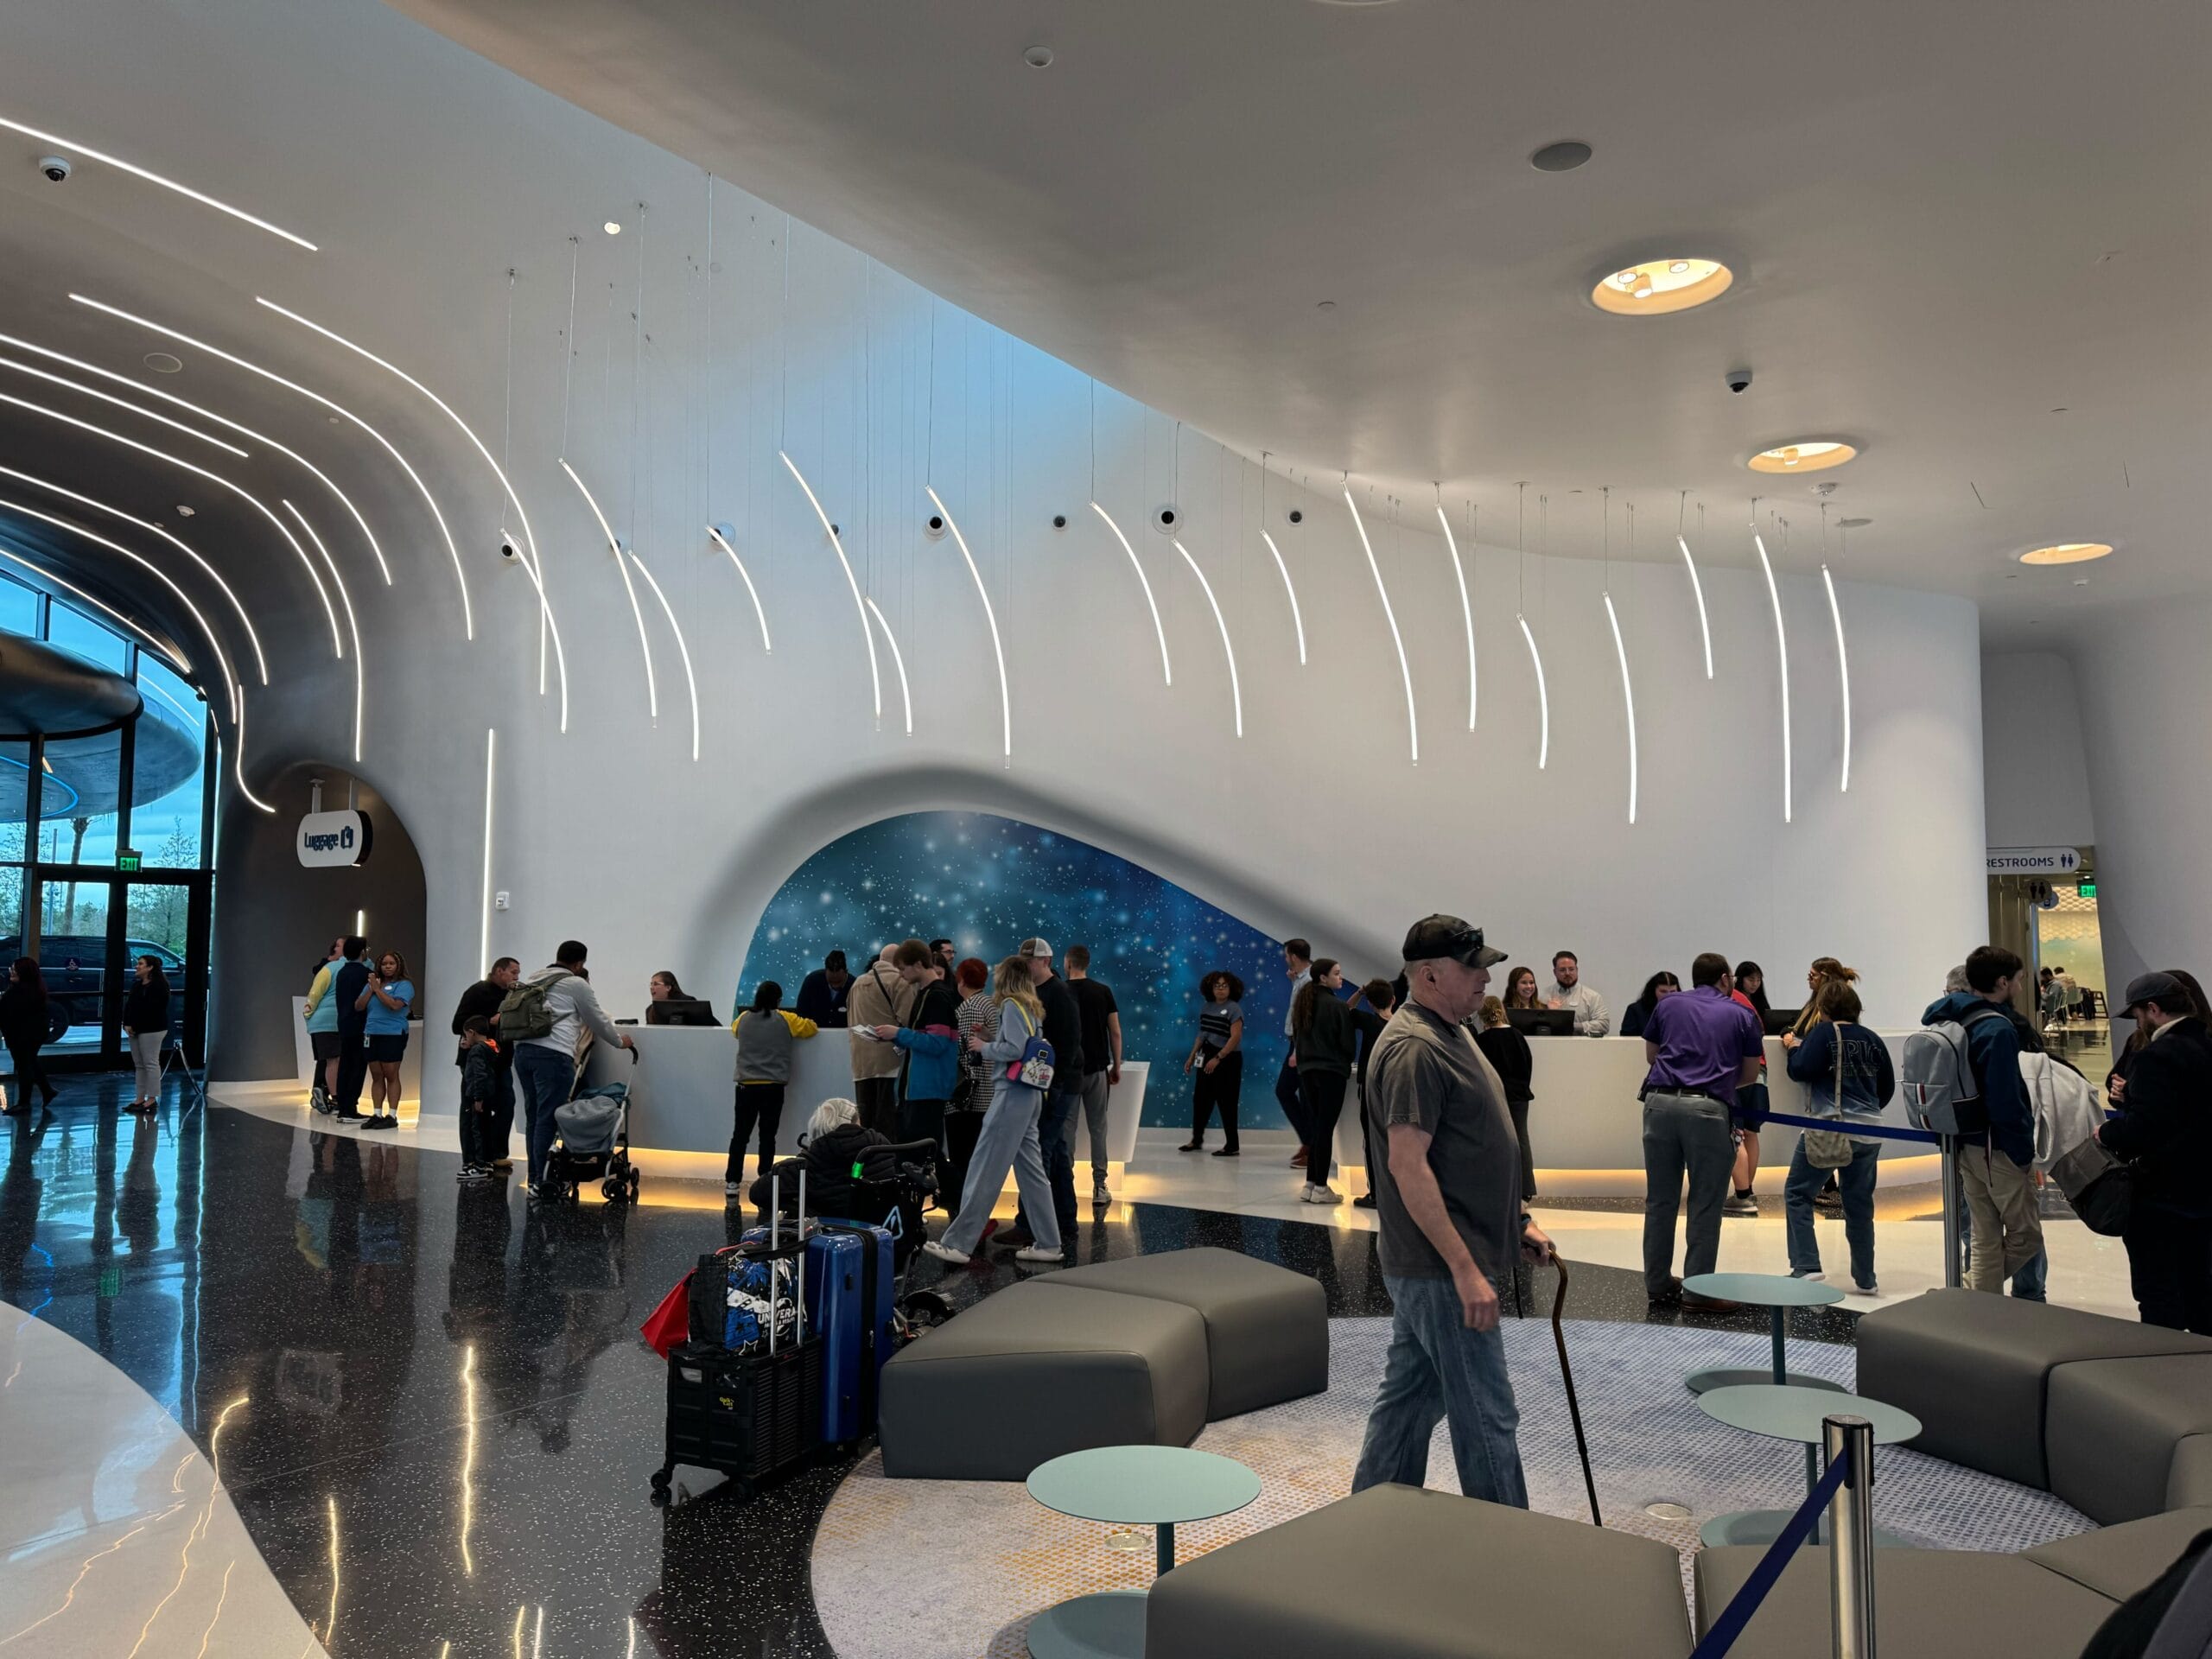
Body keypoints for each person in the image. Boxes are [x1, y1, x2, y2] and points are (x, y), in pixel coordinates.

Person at [1351, 914, 1554, 1507]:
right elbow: (1408, 1167)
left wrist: (1514, 1221)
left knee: (1412, 1399)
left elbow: (1468, 1148)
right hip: (1441, 1268)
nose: (1485, 978)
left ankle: (1373, 1516)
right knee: (1487, 1414)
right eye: (1473, 967)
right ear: (1431, 975)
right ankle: (1503, 1543)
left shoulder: (1451, 1027)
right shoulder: (1415, 1047)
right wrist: (1467, 1271)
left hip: (1442, 1260)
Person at [1640, 952, 1764, 1311]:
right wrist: (1716, 1082)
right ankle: (1697, 1291)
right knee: (1705, 1204)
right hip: (1709, 1109)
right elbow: (1750, 1075)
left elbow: (1652, 1056)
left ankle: (1658, 1285)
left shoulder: (1668, 1005)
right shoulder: (1742, 1014)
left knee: (1660, 1201)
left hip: (1659, 1104)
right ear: (1726, 978)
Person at [923, 955, 1064, 1266]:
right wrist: (992, 1039)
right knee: (1032, 1175)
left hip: (1011, 1096)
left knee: (984, 1168)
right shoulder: (1031, 1007)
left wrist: (984, 1047)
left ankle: (959, 1244)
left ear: (1006, 978)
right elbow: (1022, 1044)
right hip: (1028, 1096)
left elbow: (1013, 1050)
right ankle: (1050, 1244)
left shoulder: (1011, 1005)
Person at [2097, 972, 2212, 1334]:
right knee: (2200, 1288)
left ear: (2153, 1009)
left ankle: (2160, 1374)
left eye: (2137, 1015)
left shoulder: (2156, 1057)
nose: (2138, 1023)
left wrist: (2106, 1132)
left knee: (2158, 1293)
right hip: (2203, 1191)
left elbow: (2144, 1130)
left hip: (2161, 1197)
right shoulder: (2206, 1045)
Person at [1923, 944, 2041, 1295]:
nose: (2020, 988)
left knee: (1985, 1234)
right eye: (2018, 981)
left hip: (1964, 1143)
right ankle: (1971, 1293)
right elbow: (2005, 1098)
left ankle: (1976, 1306)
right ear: (2002, 982)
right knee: (2027, 1234)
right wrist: (2023, 1151)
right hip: (1998, 1148)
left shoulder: (1950, 1020)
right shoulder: (1998, 1029)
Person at [1780, 977, 1897, 1292]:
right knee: (1859, 1205)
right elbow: (1885, 1088)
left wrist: (1792, 1047)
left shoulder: (1823, 1034)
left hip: (1829, 1127)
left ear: (1823, 1009)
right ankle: (1866, 1278)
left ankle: (1806, 1265)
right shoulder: (1872, 1039)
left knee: (1797, 1192)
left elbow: (1800, 1070)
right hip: (1870, 1130)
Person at [512, 941, 633, 1197]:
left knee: (534, 1116)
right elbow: (597, 1019)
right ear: (579, 964)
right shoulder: (576, 984)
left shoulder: (535, 977)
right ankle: (540, 1181)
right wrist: (620, 1042)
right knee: (547, 1117)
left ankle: (535, 1176)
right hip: (553, 1056)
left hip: (523, 1053)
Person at [1009, 938, 1084, 1251]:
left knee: (1039, 1153)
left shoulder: (1060, 995)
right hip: (1049, 1083)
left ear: (1046, 961)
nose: (1027, 965)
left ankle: (1029, 1225)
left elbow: (1068, 1045)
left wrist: (1054, 1087)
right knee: (1056, 1154)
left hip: (1056, 1084)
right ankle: (1065, 1220)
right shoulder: (1038, 992)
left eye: (1031, 961)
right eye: (1024, 961)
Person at [874, 939, 961, 1192]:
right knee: (919, 1158)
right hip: (919, 1088)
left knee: (921, 1158)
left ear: (919, 965)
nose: (900, 975)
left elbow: (937, 1043)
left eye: (903, 968)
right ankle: (960, 1211)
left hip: (927, 1089)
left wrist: (898, 1033)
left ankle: (964, 1210)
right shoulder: (929, 994)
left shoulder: (937, 997)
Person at [728, 979, 818, 1200]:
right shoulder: (786, 1019)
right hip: (772, 1087)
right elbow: (811, 1028)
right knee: (767, 1136)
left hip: (745, 1086)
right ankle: (764, 1178)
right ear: (778, 1000)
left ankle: (732, 1181)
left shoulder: (743, 1019)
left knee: (740, 1135)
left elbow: (734, 1032)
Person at [1291, 957, 1357, 1203]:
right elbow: (1348, 1046)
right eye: (1337, 973)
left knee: (1317, 1126)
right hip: (1332, 1073)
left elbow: (1297, 1039)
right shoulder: (1337, 1007)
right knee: (1325, 1129)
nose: (1341, 977)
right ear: (1323, 978)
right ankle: (1321, 1188)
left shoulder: (1303, 1005)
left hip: (1307, 1073)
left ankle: (1309, 1185)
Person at [1065, 946, 1122, 1205]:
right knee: (1098, 1128)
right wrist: (1117, 1065)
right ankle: (1100, 1186)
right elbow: (1115, 1032)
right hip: (1098, 1069)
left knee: (1067, 1128)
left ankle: (1065, 1184)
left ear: (1067, 963)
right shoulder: (1103, 991)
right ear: (1087, 963)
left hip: (1068, 1071)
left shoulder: (1059, 992)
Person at [450, 958, 519, 1170]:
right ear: (499, 971)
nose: (517, 976)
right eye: (513, 972)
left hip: (502, 1060)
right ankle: (472, 1158)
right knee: (475, 1108)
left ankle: (497, 1153)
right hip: (478, 1061)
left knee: (506, 1105)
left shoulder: (513, 995)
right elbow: (457, 1025)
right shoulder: (477, 992)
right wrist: (489, 1022)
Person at [1471, 997, 1536, 1201]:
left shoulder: (1482, 1041)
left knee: (1494, 1141)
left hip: (1494, 1097)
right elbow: (1527, 1064)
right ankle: (1526, 1187)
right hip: (1519, 1096)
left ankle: (1497, 1184)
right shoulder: (1517, 1035)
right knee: (1521, 1139)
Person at [846, 944, 914, 1133]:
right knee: (888, 1124)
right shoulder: (899, 982)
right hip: (890, 1065)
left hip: (861, 1066)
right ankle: (888, 1162)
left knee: (866, 1125)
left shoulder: (857, 983)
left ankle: (866, 1161)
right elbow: (909, 1021)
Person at [1726, 960, 1775, 1217]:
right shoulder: (1749, 1007)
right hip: (1759, 1073)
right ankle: (1747, 1191)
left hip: (1735, 1074)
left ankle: (1742, 1195)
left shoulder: (1729, 1000)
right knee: (1751, 1133)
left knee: (1736, 1134)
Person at [947, 957, 995, 1207]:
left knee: (964, 1157)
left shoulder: (970, 1009)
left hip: (972, 1097)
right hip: (987, 1093)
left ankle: (967, 1210)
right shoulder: (989, 1004)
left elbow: (968, 1055)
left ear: (961, 979)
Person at [1180, 970, 1245, 1154]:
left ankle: (1232, 1145)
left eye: (1225, 986)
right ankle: (1196, 1140)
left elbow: (1236, 1037)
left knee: (1227, 1102)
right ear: (1211, 988)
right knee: (1200, 1099)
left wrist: (1218, 1058)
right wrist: (1192, 1056)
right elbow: (1202, 1034)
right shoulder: (1206, 1007)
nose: (1221, 989)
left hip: (1228, 1058)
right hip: (1206, 1053)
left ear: (1231, 988)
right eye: (1217, 986)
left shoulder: (1234, 1009)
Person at [1349, 978, 1395, 1206]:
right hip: (1395, 1086)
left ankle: (1376, 1193)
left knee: (1371, 1138)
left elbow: (1346, 1009)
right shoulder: (1400, 1025)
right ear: (1393, 1000)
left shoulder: (1368, 1021)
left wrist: (1359, 992)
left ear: (1369, 1003)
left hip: (1369, 1085)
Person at [354, 950, 413, 1130]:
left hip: (393, 1033)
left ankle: (392, 1115)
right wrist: (371, 989)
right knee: (376, 1075)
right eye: (384, 964)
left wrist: (378, 990)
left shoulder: (404, 985)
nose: (387, 967)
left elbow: (395, 1005)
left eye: (391, 963)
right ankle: (377, 1113)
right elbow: (358, 1006)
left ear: (398, 966)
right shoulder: (373, 984)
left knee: (391, 1074)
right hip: (371, 1032)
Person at [1, 957, 55, 1116]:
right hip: (30, 1034)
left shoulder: (19, 992)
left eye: (14, 968)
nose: (11, 971)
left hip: (22, 1035)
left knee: (24, 1065)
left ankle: (25, 1102)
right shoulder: (34, 990)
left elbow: (9, 1013)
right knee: (30, 1062)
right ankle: (47, 1091)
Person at [120, 955, 172, 1115]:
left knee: (150, 1063)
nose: (137, 966)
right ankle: (140, 1098)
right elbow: (129, 1006)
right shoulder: (137, 986)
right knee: (139, 1064)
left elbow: (153, 1010)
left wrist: (134, 1024)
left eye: (141, 964)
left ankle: (152, 1098)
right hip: (136, 1029)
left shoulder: (159, 987)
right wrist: (127, 1023)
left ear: (150, 968)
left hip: (153, 1029)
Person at [1278, 938, 1314, 1168]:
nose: (1285, 959)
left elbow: (1307, 1017)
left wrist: (1299, 1049)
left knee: (1292, 1092)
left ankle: (1312, 1146)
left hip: (1301, 1045)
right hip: (1296, 1043)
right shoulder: (1300, 979)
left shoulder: (1309, 980)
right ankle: (1308, 1141)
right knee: (1289, 1092)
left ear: (1292, 956)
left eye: (1286, 955)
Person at [331, 937, 373, 1123]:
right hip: (360, 1026)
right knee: (357, 1066)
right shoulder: (366, 974)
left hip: (344, 1024)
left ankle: (343, 1106)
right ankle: (350, 1108)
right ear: (362, 951)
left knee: (345, 1065)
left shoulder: (342, 973)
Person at [302, 938, 347, 1111]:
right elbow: (315, 994)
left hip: (326, 1022)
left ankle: (321, 1092)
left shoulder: (331, 968)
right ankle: (326, 1093)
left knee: (328, 1059)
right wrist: (308, 1013)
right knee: (330, 1059)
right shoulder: (329, 968)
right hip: (329, 1022)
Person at [455, 1016, 502, 1182]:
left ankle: (478, 1166)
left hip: (476, 1096)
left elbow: (478, 1075)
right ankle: (486, 1162)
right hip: (488, 1095)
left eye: (466, 1035)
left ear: (472, 1032)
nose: (465, 1039)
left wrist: (477, 1097)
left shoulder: (477, 1051)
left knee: (476, 1129)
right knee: (485, 1128)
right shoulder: (491, 1047)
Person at [1547, 950, 1611, 1036]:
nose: (1567, 973)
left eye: (1571, 969)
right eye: (1562, 970)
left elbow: (1604, 1025)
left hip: (1583, 1047)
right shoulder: (1543, 996)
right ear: (1555, 972)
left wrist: (1573, 1026)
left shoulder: (1592, 997)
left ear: (1577, 970)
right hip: (1550, 1046)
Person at [795, 950, 854, 1029]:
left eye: (839, 982)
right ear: (825, 971)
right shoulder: (812, 981)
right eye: (831, 982)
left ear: (846, 972)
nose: (835, 986)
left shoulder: (855, 986)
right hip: (814, 1034)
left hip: (844, 1036)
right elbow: (801, 1012)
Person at [1618, 971, 1680, 1039]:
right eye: (1663, 991)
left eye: (1673, 992)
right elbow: (1628, 1041)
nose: (1668, 995)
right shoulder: (1635, 1010)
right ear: (1653, 991)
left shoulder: (1682, 1011)